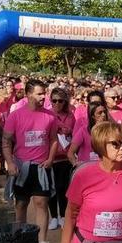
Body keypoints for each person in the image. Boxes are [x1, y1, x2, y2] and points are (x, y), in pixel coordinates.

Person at [3, 79, 59, 243]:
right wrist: (10, 163)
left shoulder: (50, 116)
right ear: (28, 94)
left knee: (42, 203)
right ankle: (21, 239)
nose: (44, 97)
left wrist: (50, 159)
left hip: (42, 167)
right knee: (21, 204)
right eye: (39, 93)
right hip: (21, 167)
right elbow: (6, 141)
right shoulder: (15, 115)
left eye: (45, 93)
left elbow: (53, 140)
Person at [48, 87, 75, 230]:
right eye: (54, 101)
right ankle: (53, 216)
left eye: (60, 101)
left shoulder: (71, 116)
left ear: (65, 102)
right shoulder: (47, 114)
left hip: (65, 157)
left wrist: (66, 129)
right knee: (51, 188)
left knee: (63, 188)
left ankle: (63, 215)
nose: (57, 104)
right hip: (50, 157)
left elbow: (74, 131)